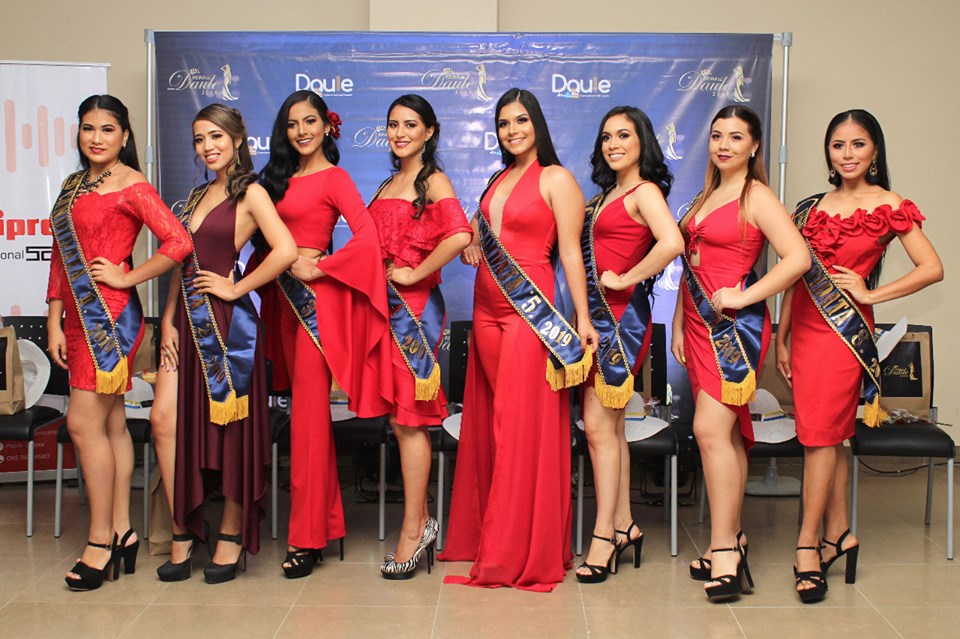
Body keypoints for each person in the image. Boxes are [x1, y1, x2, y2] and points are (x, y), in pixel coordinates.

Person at [776, 109, 942, 603]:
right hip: (803, 331)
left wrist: (871, 294)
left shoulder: (889, 204)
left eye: (858, 144)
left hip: (842, 334)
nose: (847, 154)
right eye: (838, 145)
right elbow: (794, 276)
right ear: (828, 152)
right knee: (831, 436)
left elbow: (932, 268)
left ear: (875, 151)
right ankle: (840, 533)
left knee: (819, 440)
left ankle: (807, 546)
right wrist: (782, 335)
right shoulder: (809, 208)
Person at [439, 88, 599, 592]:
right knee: (490, 423)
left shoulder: (557, 179)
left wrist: (583, 318)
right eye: (504, 123)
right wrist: (471, 242)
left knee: (518, 426)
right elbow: (482, 229)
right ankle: (489, 536)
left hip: (528, 312)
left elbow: (570, 253)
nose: (512, 130)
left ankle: (516, 550)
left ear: (538, 125)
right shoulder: (496, 179)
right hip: (485, 309)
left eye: (521, 120)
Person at [46, 95, 192, 590]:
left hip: (108, 321)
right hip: (75, 319)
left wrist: (128, 278)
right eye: (88, 128)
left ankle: (99, 543)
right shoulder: (72, 186)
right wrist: (53, 318)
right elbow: (59, 256)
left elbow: (179, 242)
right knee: (110, 425)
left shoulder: (133, 185)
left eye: (107, 129)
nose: (96, 138)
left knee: (81, 424)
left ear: (125, 136)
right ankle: (124, 532)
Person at [151, 104, 297, 584]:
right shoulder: (195, 196)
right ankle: (184, 527)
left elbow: (286, 250)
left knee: (232, 429)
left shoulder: (251, 192)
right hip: (185, 324)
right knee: (164, 421)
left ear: (237, 139)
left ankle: (231, 532)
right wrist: (168, 320)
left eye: (216, 136)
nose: (207, 146)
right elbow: (181, 263)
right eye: (199, 139)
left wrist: (237, 288)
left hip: (226, 327)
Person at [671, 105, 809, 601]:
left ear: (754, 146)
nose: (724, 145)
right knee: (725, 435)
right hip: (697, 323)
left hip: (735, 329)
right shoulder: (705, 195)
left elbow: (798, 258)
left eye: (735, 137)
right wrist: (677, 322)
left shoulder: (757, 195)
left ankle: (726, 548)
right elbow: (692, 264)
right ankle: (728, 540)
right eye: (716, 136)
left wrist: (745, 296)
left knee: (709, 431)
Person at [259, 90, 393, 578]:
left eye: (310, 121)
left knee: (309, 422)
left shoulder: (335, 178)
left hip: (312, 307)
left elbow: (368, 237)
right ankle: (320, 523)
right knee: (300, 419)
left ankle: (306, 536)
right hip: (280, 304)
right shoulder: (272, 181)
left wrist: (322, 267)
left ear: (326, 126)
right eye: (292, 123)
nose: (302, 131)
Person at [576, 106, 684, 583]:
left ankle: (603, 536)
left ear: (642, 141)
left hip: (621, 320)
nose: (613, 144)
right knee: (611, 430)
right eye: (606, 137)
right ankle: (623, 525)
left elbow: (672, 243)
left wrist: (627, 278)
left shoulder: (645, 192)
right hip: (602, 318)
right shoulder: (605, 197)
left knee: (600, 428)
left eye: (623, 135)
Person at [367, 95, 472, 579]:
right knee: (399, 420)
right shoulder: (388, 183)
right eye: (393, 124)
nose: (400, 133)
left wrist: (414, 273)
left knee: (410, 421)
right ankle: (421, 519)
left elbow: (460, 235)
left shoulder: (434, 181)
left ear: (429, 131)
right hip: (382, 310)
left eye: (410, 125)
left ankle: (414, 529)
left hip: (414, 312)